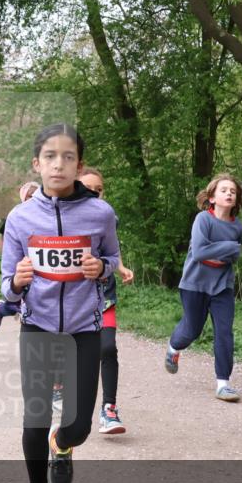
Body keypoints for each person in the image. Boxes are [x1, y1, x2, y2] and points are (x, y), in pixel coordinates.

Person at [1, 124, 120, 483]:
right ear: (37, 164)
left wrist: (101, 267)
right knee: (34, 418)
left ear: (79, 165)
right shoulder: (20, 218)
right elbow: (5, 283)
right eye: (50, 156)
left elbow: (112, 260)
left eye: (68, 156)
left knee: (80, 426)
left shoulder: (100, 214)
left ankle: (63, 443)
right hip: (37, 326)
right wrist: (16, 281)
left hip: (84, 330)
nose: (59, 163)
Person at [164, 173, 242, 402]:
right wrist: (228, 247)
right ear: (212, 197)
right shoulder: (203, 220)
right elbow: (200, 252)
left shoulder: (238, 227)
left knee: (224, 331)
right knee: (192, 330)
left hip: (222, 286)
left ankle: (223, 384)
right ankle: (173, 347)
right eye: (224, 190)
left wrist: (222, 249)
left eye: (233, 191)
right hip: (194, 284)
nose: (229, 193)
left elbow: (234, 257)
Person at [78, 168, 135, 435]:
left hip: (103, 295)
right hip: (71, 299)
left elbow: (111, 248)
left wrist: (120, 267)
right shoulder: (62, 217)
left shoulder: (108, 217)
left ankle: (109, 409)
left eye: (98, 189)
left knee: (107, 348)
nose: (93, 193)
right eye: (86, 187)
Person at [0, 181, 41, 331]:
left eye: (36, 196)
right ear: (23, 197)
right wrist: (8, 257)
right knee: (16, 303)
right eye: (29, 196)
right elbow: (3, 240)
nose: (33, 199)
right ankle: (1, 309)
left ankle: (3, 309)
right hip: (18, 268)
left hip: (36, 268)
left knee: (21, 305)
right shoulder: (15, 217)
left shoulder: (46, 219)